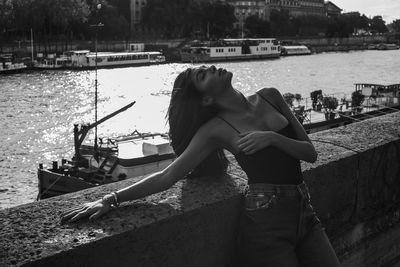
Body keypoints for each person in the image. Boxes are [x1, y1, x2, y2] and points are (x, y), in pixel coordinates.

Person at [61, 65, 341, 266]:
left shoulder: (271, 95)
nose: (210, 67)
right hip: (267, 225)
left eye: (204, 67)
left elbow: (310, 153)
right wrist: (111, 198)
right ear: (206, 99)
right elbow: (169, 174)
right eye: (202, 75)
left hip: (305, 212)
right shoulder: (215, 129)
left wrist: (271, 138)